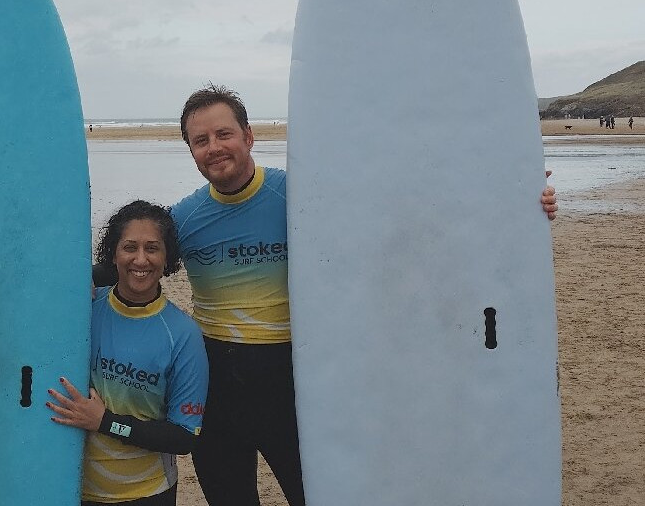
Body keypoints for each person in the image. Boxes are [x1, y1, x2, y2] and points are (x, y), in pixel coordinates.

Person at [168, 83, 559, 506]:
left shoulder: (301, 196)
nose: (213, 147)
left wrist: (515, 200)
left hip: (295, 380)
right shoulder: (184, 219)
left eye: (223, 134)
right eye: (200, 140)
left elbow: (404, 213)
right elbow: (134, 262)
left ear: (248, 135)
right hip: (216, 388)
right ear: (190, 150)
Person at [50, 200, 209, 506]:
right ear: (114, 253)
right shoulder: (84, 312)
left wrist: (106, 421)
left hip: (147, 493)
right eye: (129, 247)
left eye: (152, 248)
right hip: (72, 488)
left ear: (167, 258)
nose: (140, 259)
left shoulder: (182, 334)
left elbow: (183, 436)